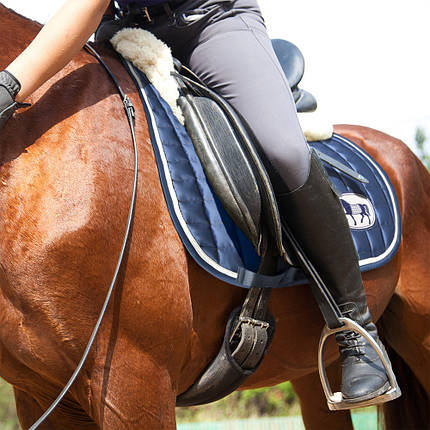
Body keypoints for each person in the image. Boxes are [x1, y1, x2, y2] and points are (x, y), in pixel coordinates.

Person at [0, 0, 397, 406]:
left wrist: (10, 86)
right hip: (123, 34)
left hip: (210, 25)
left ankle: (356, 332)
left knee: (285, 152)